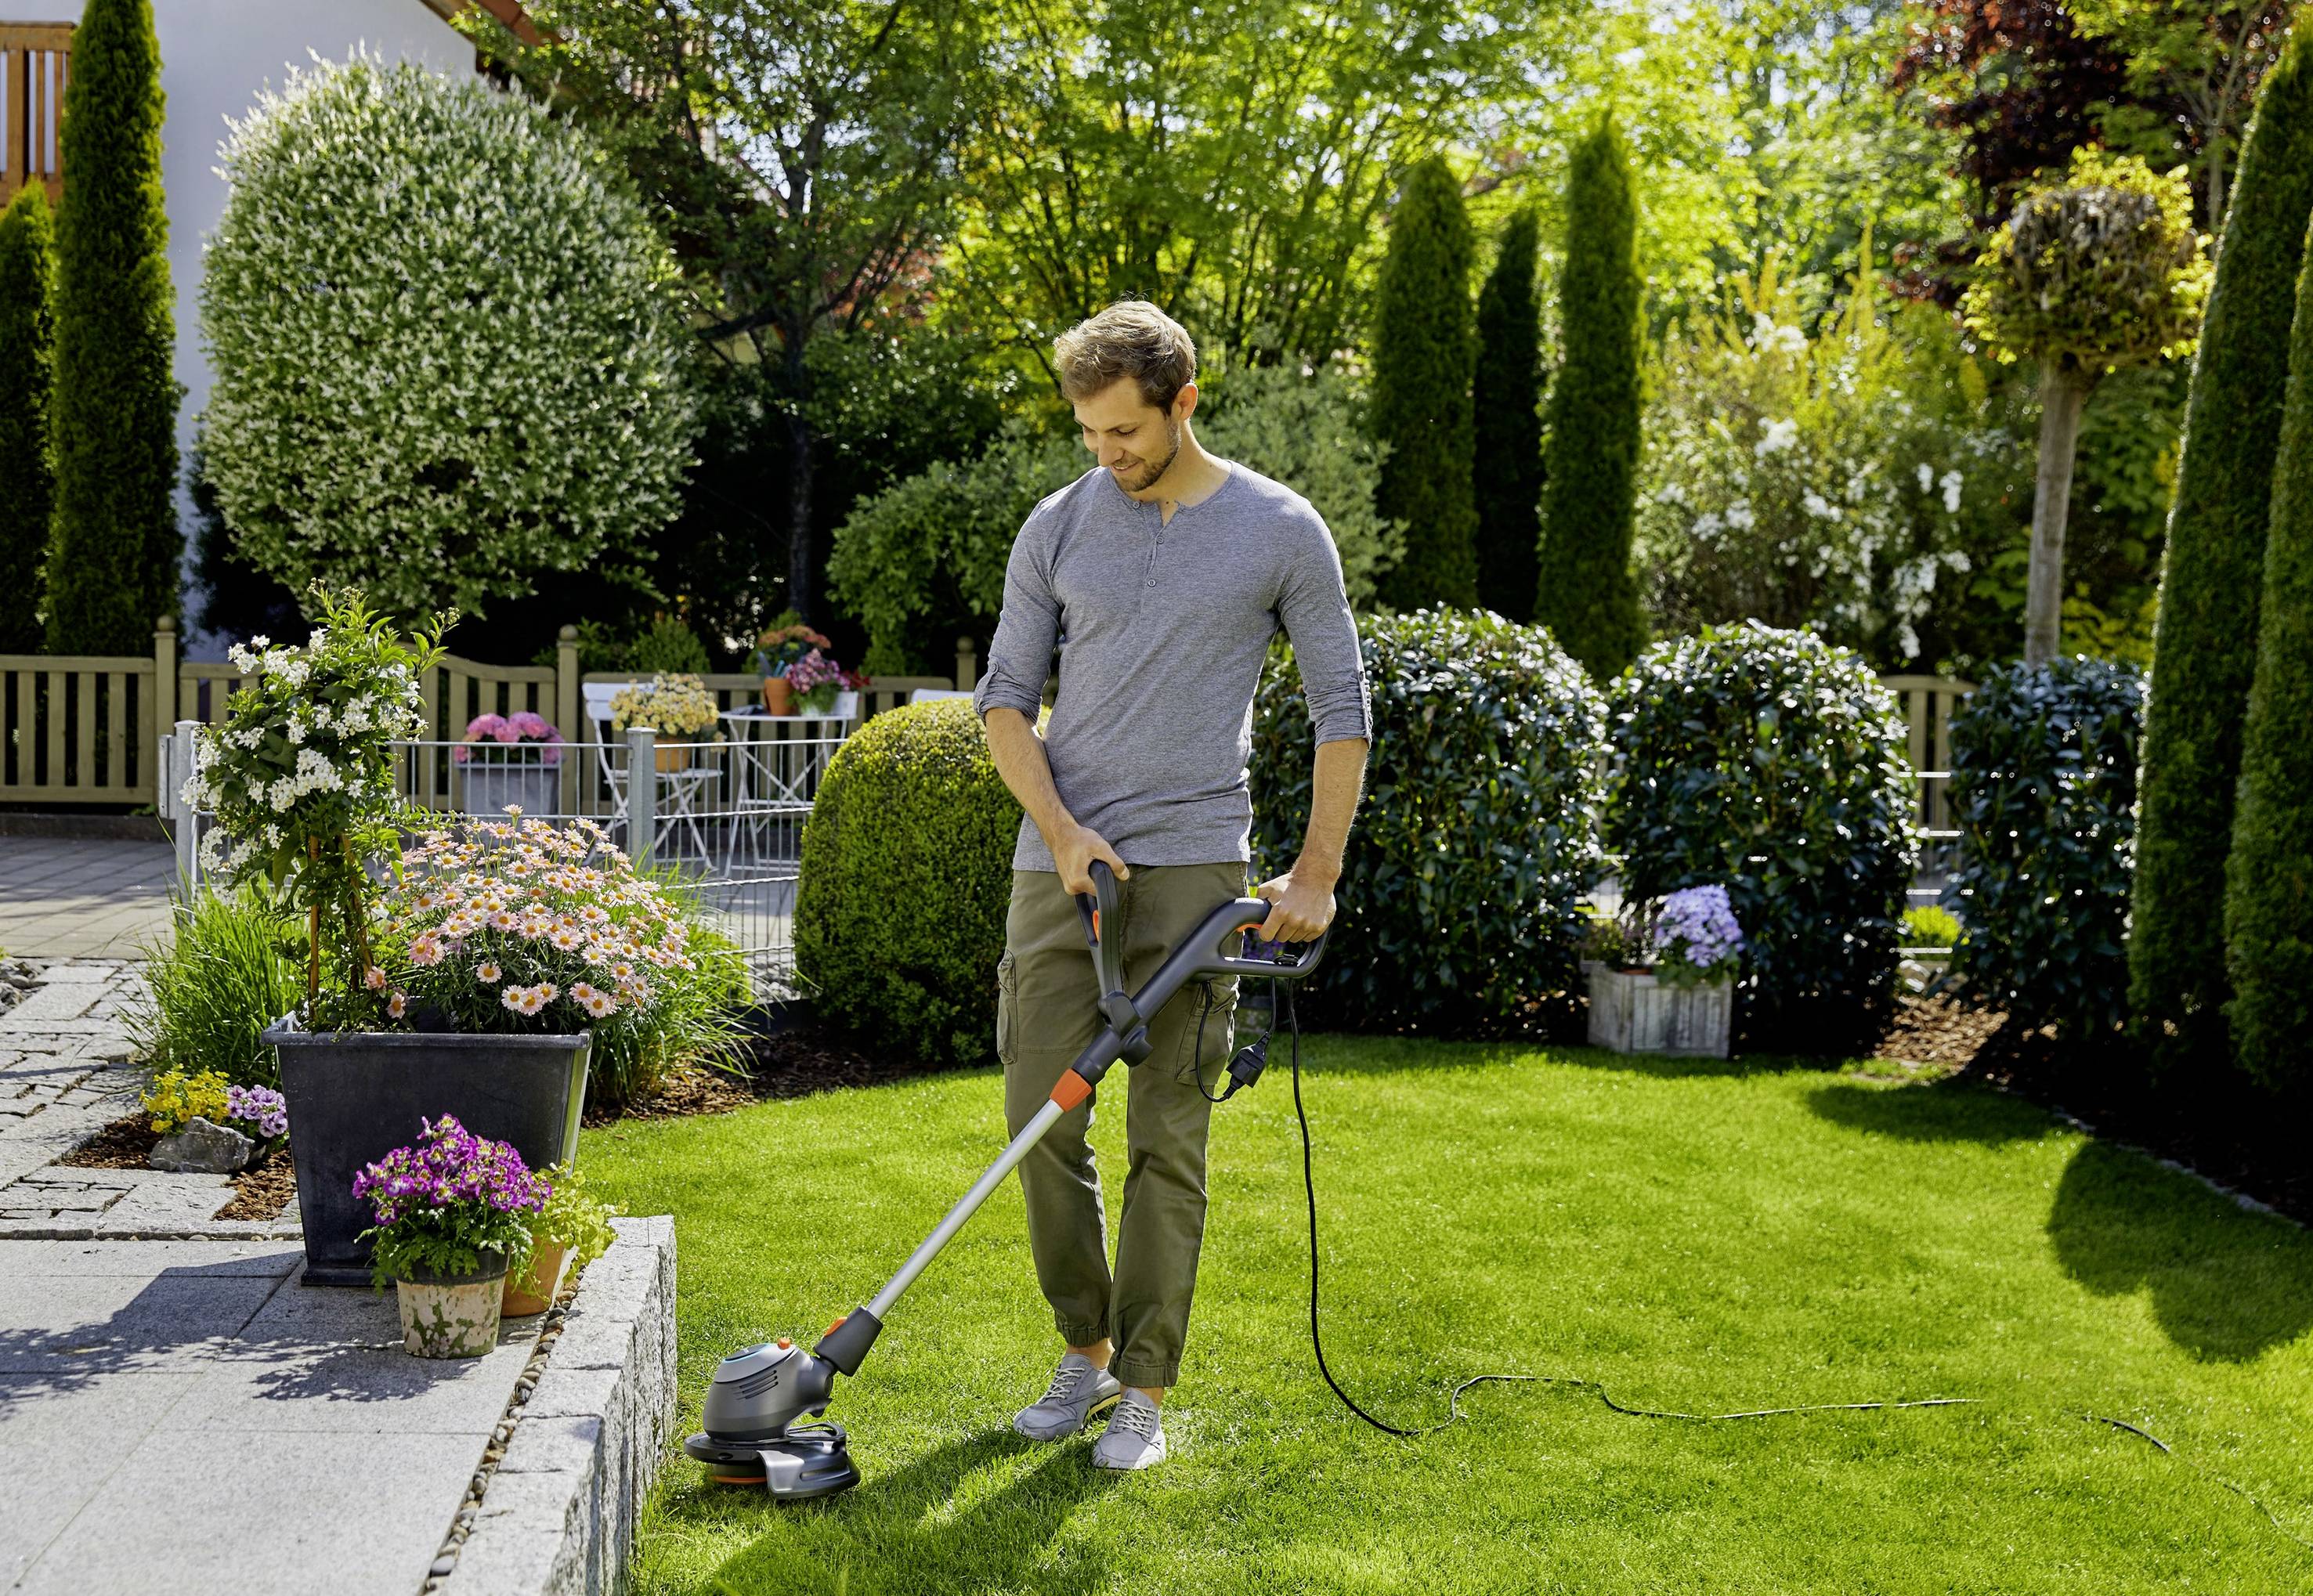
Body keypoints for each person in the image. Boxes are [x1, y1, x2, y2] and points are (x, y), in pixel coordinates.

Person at [972, 299, 1371, 1470]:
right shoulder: (1058, 523)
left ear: (1183, 401)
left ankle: (1143, 1382)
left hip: (1198, 867)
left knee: (1169, 1134)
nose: (1107, 457)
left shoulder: (1279, 530)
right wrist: (1056, 827)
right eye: (1090, 435)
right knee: (1037, 1117)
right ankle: (1080, 1347)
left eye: (1125, 434)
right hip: (1063, 864)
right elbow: (1003, 697)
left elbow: (1343, 710)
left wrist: (1316, 871)